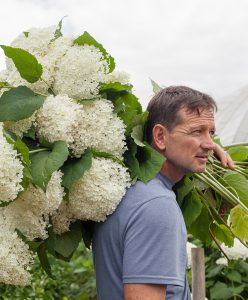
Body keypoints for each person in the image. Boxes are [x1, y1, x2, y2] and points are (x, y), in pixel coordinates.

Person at [92, 86, 234, 300]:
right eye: (197, 131)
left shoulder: (127, 190)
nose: (209, 144)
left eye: (211, 133)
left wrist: (200, 147)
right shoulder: (157, 205)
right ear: (159, 136)